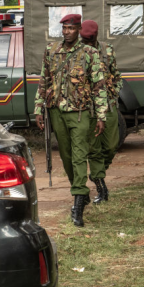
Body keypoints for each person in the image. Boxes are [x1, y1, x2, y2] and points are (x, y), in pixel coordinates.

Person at [33, 14, 108, 228]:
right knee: (66, 156)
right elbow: (43, 79)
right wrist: (39, 108)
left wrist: (101, 115)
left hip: (81, 112)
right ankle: (79, 191)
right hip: (56, 110)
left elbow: (99, 86)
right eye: (64, 28)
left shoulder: (89, 53)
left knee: (79, 155)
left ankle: (78, 201)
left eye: (70, 28)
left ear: (79, 29)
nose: (66, 32)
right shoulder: (51, 50)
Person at [79, 20, 122, 204]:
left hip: (107, 103)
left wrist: (114, 91)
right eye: (84, 41)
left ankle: (98, 173)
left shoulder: (107, 49)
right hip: (88, 107)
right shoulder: (76, 52)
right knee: (94, 148)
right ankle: (100, 183)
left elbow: (116, 74)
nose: (87, 44)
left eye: (90, 40)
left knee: (111, 145)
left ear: (96, 36)